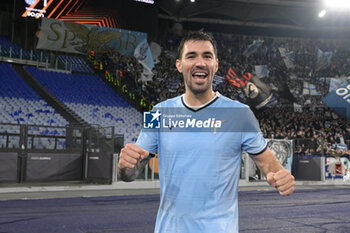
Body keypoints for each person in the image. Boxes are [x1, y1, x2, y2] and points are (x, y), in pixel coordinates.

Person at [118, 31, 295, 233]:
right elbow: (132, 172)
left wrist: (280, 176)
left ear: (216, 65)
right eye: (191, 56)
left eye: (207, 56)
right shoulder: (158, 112)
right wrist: (125, 166)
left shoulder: (241, 114)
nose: (200, 62)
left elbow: (268, 164)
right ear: (179, 65)